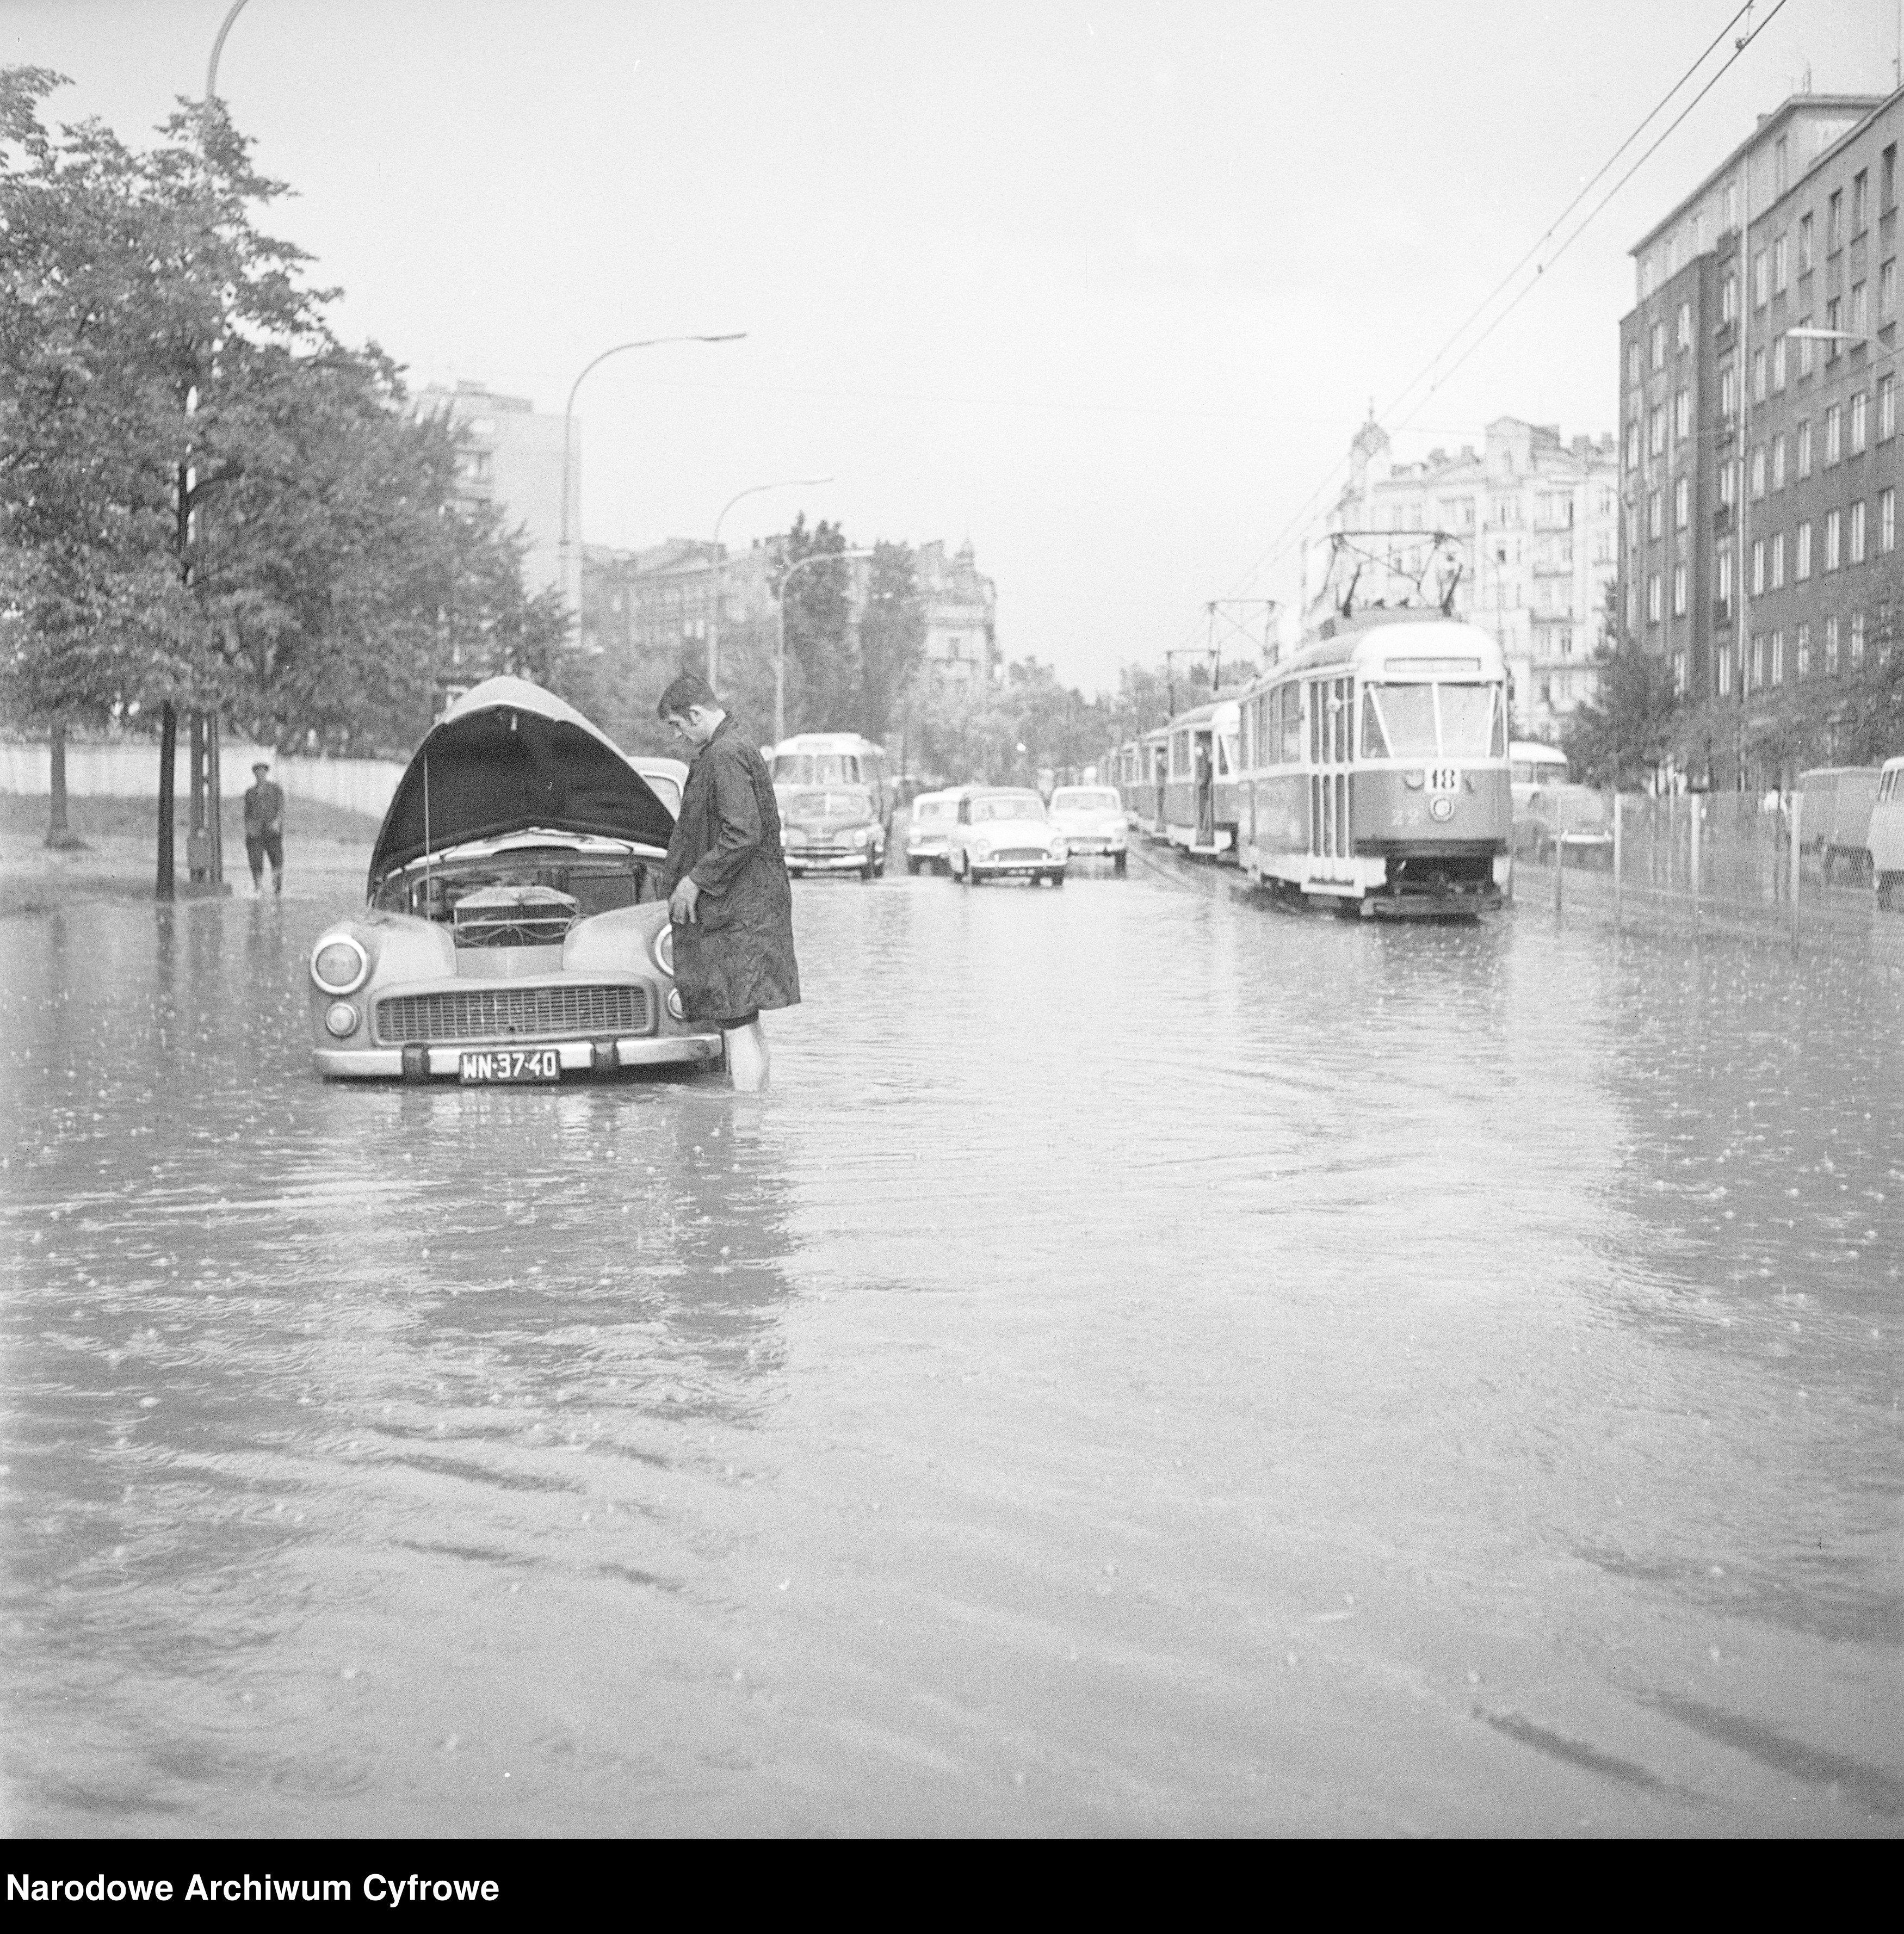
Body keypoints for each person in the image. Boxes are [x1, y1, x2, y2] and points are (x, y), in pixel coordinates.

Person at [656, 673, 800, 1091]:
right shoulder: (732, 747)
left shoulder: (724, 754)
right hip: (747, 910)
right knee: (745, 1021)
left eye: (677, 725)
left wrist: (693, 881)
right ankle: (755, 1126)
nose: (678, 735)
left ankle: (746, 1126)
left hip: (740, 914)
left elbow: (742, 832)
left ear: (696, 714)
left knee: (738, 1022)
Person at [243, 759, 285, 895]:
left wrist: (277, 822)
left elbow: (281, 808)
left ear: (266, 773)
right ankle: (258, 886)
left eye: (263, 772)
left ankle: (277, 887)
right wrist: (249, 827)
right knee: (255, 859)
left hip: (272, 830)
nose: (260, 774)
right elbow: (247, 813)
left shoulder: (276, 789)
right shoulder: (250, 792)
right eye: (257, 772)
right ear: (254, 774)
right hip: (256, 831)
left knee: (277, 859)